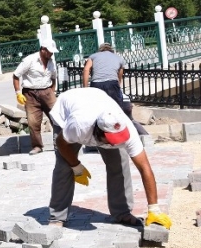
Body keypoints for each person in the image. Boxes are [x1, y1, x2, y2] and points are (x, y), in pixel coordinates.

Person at [47, 87, 164, 227]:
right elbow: (61, 143)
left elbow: (145, 168)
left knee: (120, 163)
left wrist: (153, 208)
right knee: (64, 165)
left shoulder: (127, 130)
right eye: (112, 139)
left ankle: (122, 213)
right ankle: (57, 216)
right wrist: (75, 165)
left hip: (98, 99)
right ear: (98, 131)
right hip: (68, 109)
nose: (116, 143)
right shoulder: (79, 126)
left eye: (119, 138)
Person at [83, 42, 148, 135]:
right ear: (111, 50)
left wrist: (85, 88)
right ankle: (119, 132)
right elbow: (119, 75)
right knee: (116, 109)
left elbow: (86, 69)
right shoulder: (118, 58)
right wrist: (117, 85)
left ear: (100, 50)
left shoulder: (93, 56)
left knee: (96, 110)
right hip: (112, 84)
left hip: (97, 84)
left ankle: (98, 133)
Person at [12, 39, 59, 155]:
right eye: (49, 51)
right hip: (30, 94)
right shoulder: (30, 60)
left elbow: (53, 77)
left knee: (57, 118)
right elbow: (16, 75)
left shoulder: (51, 62)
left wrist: (52, 91)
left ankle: (59, 144)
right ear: (43, 49)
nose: (51, 54)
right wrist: (18, 93)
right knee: (33, 122)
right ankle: (37, 146)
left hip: (47, 92)